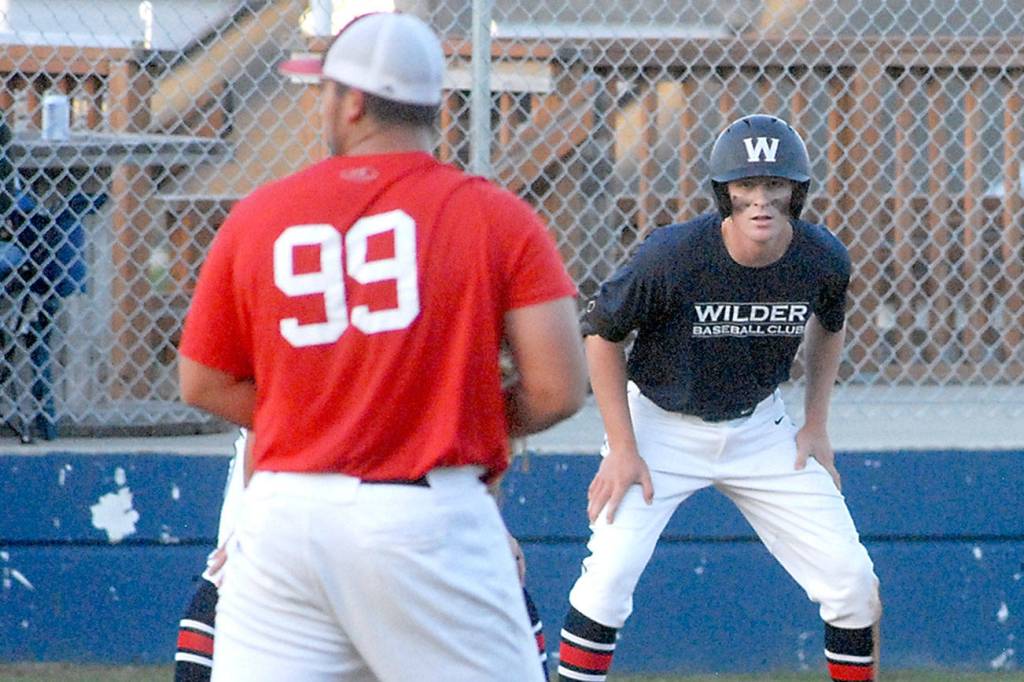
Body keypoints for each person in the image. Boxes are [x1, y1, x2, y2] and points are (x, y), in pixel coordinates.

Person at [177, 11, 586, 681]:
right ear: (437, 105)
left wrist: (319, 419)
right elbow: (557, 388)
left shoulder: (260, 213)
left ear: (354, 102)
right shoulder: (495, 215)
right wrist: (445, 419)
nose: (321, 106)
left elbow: (201, 381)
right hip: (425, 517)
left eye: (325, 91)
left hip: (286, 519)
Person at [555, 114, 882, 682]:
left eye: (775, 185)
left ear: (796, 192)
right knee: (607, 581)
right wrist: (622, 448)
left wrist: (816, 425)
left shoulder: (821, 257)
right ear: (724, 194)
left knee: (853, 583)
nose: (761, 201)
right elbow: (601, 335)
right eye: (746, 187)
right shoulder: (674, 255)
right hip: (659, 423)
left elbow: (830, 324)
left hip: (759, 425)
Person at [173, 429, 553, 681]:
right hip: (311, 463)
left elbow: (213, 386)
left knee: (219, 604)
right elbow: (549, 391)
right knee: (215, 606)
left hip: (322, 471)